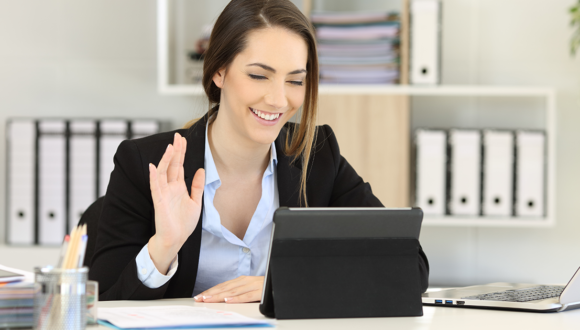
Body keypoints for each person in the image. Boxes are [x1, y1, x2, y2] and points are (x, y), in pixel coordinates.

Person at [89, 0, 429, 302]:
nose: (279, 99)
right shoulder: (146, 163)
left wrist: (284, 283)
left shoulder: (317, 156)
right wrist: (165, 245)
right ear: (219, 71)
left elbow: (410, 266)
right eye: (258, 76)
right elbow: (105, 298)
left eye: (295, 80)